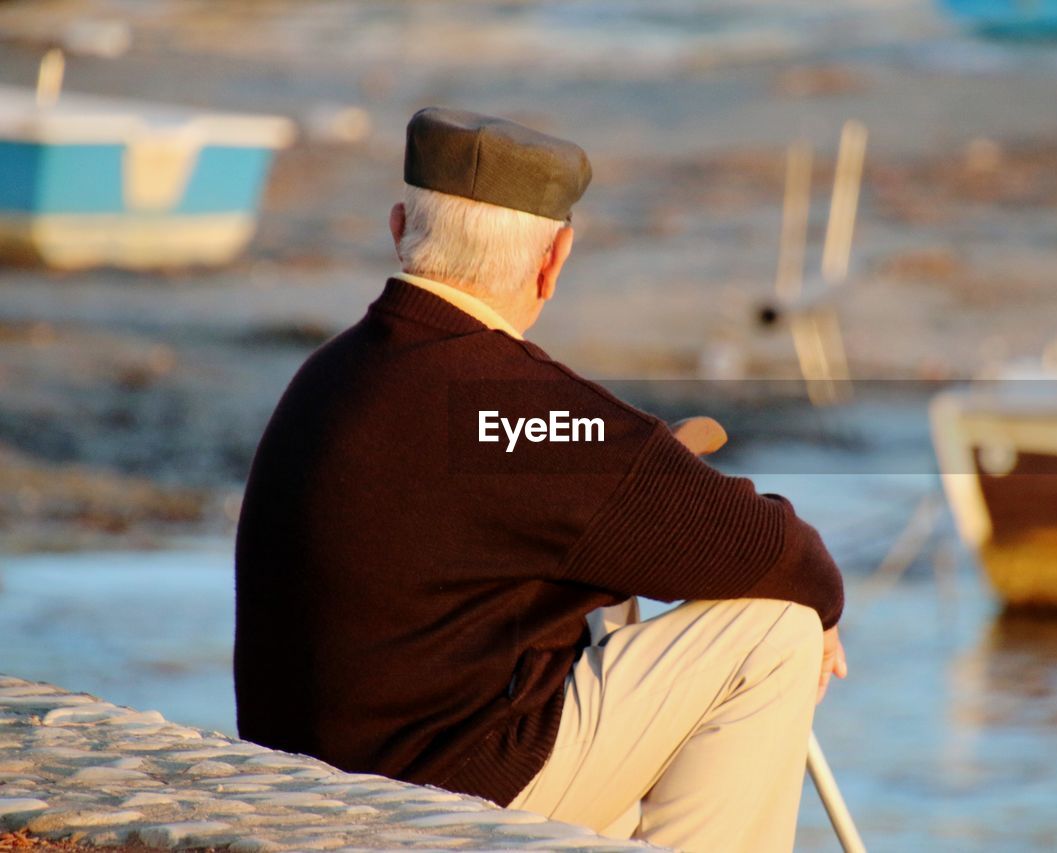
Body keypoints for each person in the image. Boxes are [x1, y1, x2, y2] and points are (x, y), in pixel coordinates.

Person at [234, 107, 846, 852]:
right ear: (554, 258)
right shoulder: (516, 407)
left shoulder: (328, 375)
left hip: (306, 787)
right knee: (775, 630)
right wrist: (823, 607)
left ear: (400, 227)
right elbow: (775, 549)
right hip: (429, 802)